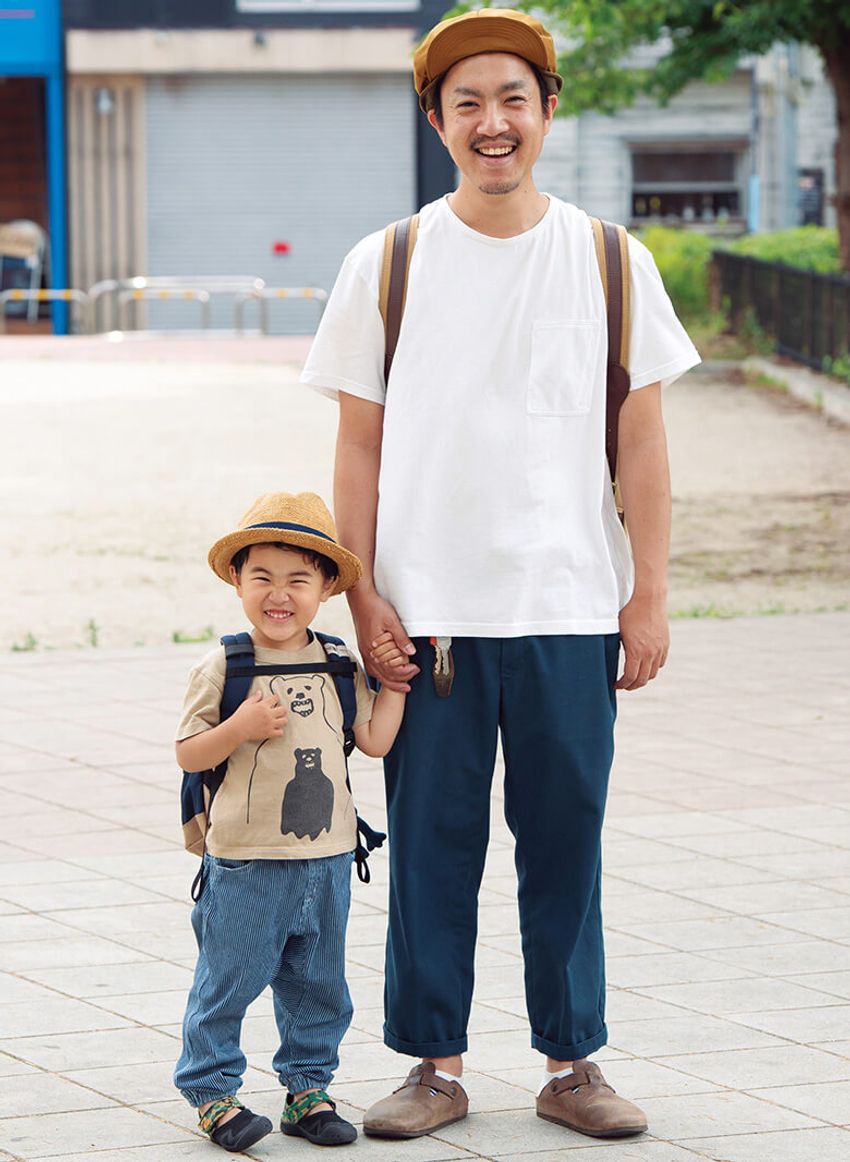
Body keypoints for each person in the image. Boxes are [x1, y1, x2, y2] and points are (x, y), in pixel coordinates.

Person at [301, 8, 700, 1142]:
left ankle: (575, 1061)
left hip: (570, 606)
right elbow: (358, 446)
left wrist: (649, 592)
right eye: (466, 102)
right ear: (436, 120)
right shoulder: (388, 262)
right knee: (432, 839)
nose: (491, 122)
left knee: (565, 836)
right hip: (427, 618)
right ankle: (433, 1064)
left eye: (511, 98)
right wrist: (363, 590)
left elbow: (641, 443)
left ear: (547, 111)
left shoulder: (610, 259)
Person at [173, 492, 407, 1152]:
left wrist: (395, 685)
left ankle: (308, 1090)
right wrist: (239, 727)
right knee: (228, 980)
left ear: (327, 588)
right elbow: (188, 753)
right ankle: (213, 1093)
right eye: (263, 578)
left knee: (319, 985)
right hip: (245, 860)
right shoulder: (225, 665)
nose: (280, 595)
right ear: (238, 583)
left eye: (298, 580)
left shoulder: (337, 664)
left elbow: (375, 741)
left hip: (329, 857)